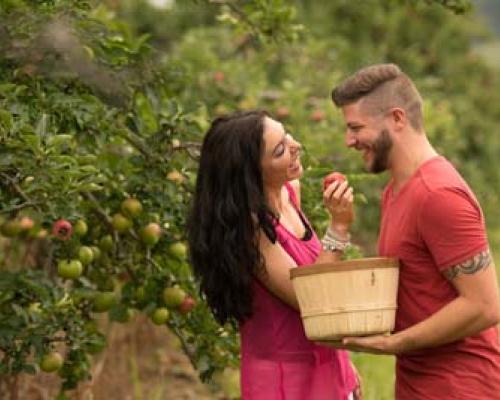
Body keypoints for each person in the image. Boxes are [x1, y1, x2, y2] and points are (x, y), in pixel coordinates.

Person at [330, 63, 500, 399]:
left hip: (461, 387)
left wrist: (394, 343)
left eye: (355, 128)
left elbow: (485, 306)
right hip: (418, 383)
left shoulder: (438, 195)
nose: (349, 140)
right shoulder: (396, 190)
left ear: (397, 118)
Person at [187, 110, 361, 399]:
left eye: (287, 134)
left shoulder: (290, 192)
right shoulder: (249, 231)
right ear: (252, 174)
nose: (296, 146)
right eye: (280, 150)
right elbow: (312, 298)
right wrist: (338, 228)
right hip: (286, 382)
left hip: (327, 368)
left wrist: (346, 370)